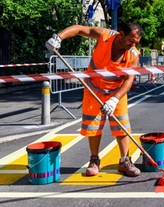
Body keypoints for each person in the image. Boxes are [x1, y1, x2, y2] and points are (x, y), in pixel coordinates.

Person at [45, 22, 143, 177]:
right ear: (121, 34)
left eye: (136, 42)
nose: (133, 44)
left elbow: (128, 80)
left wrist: (115, 99)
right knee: (93, 126)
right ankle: (94, 160)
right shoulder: (105, 35)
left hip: (116, 92)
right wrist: (58, 37)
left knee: (122, 126)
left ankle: (125, 161)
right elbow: (80, 29)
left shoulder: (133, 54)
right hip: (93, 89)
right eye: (131, 40)